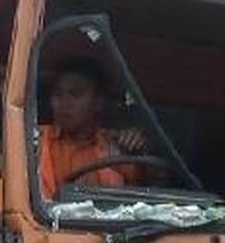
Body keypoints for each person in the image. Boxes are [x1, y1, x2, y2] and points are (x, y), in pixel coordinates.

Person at [38, 56, 156, 199]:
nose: (64, 103)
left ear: (98, 102)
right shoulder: (34, 139)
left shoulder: (118, 147)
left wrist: (141, 152)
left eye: (75, 94)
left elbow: (150, 195)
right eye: (58, 94)